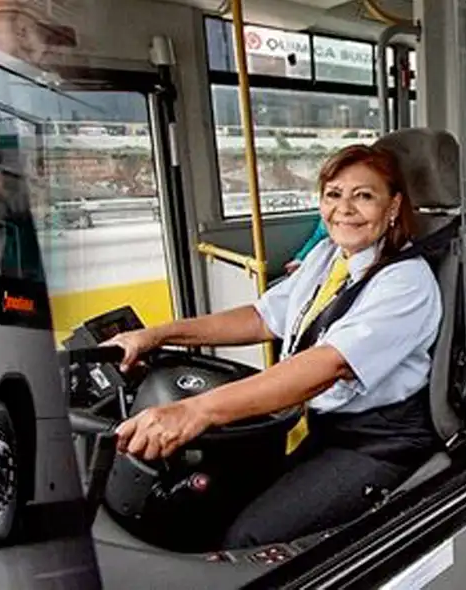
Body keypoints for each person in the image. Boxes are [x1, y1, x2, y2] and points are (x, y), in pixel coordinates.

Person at [103, 144, 443, 549]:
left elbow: (328, 365)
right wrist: (155, 335)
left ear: (393, 206)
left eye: (364, 196)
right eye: (333, 194)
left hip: (374, 444)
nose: (344, 209)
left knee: (250, 538)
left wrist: (195, 410)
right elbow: (262, 317)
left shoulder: (406, 282)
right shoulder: (328, 256)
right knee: (209, 503)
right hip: (316, 425)